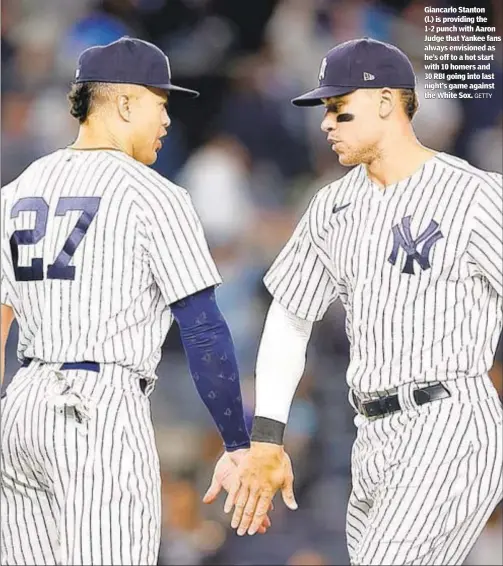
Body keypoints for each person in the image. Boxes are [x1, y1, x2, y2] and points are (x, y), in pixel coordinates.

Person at [209, 38, 503, 565]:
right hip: (369, 435)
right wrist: (269, 437)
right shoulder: (333, 204)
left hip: (449, 420)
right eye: (325, 109)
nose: (326, 122)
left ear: (388, 102)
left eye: (339, 108)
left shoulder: (474, 195)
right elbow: (290, 316)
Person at [0, 36, 270, 566]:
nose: (167, 120)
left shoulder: (15, 191)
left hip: (20, 411)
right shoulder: (153, 194)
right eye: (160, 103)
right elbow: (202, 328)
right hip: (98, 407)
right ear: (123, 102)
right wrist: (238, 443)